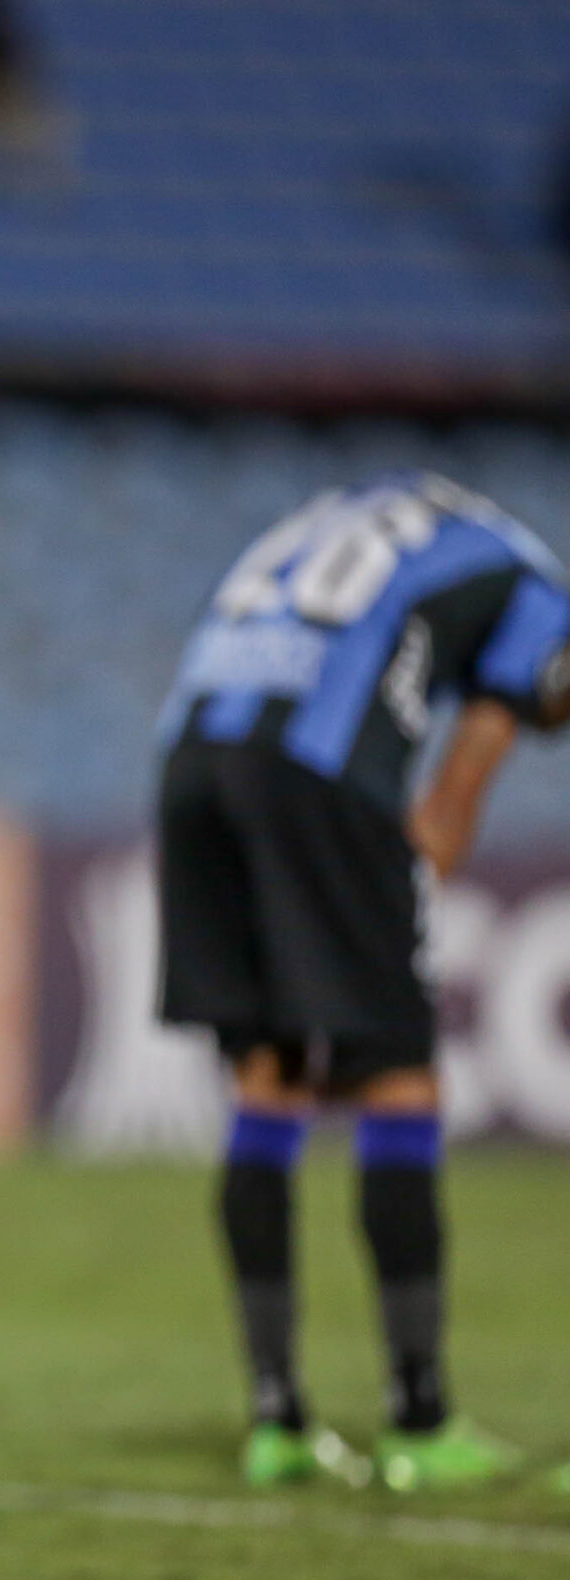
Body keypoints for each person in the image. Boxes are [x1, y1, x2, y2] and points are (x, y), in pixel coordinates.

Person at [157, 472, 570, 1493]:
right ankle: (419, 1419)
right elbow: (463, 777)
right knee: (396, 1071)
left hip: (190, 761)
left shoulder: (370, 515)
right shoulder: (541, 591)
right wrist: (404, 893)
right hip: (316, 764)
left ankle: (276, 1418)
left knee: (267, 1074)